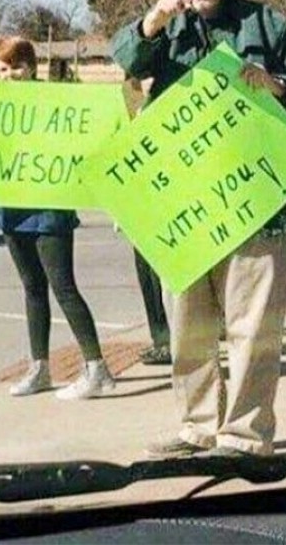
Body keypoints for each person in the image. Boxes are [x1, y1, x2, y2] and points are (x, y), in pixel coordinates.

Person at [110, 0, 286, 458]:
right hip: (186, 206)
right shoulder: (167, 30)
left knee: (254, 328)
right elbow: (127, 61)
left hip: (255, 205)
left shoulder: (264, 22)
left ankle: (246, 435)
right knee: (188, 330)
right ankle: (198, 425)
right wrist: (153, 20)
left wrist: (275, 84)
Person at [0, 36, 115, 400]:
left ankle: (97, 367)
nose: (10, 75)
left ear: (31, 67)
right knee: (32, 287)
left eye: (16, 67)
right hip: (12, 206)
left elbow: (84, 140)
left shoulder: (57, 103)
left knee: (63, 286)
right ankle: (39, 367)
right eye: (3, 69)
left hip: (50, 209)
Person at [121, 76, 172, 366]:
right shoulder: (128, 96)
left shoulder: (173, 89)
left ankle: (188, 336)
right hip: (139, 199)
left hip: (171, 196)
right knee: (148, 276)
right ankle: (162, 339)